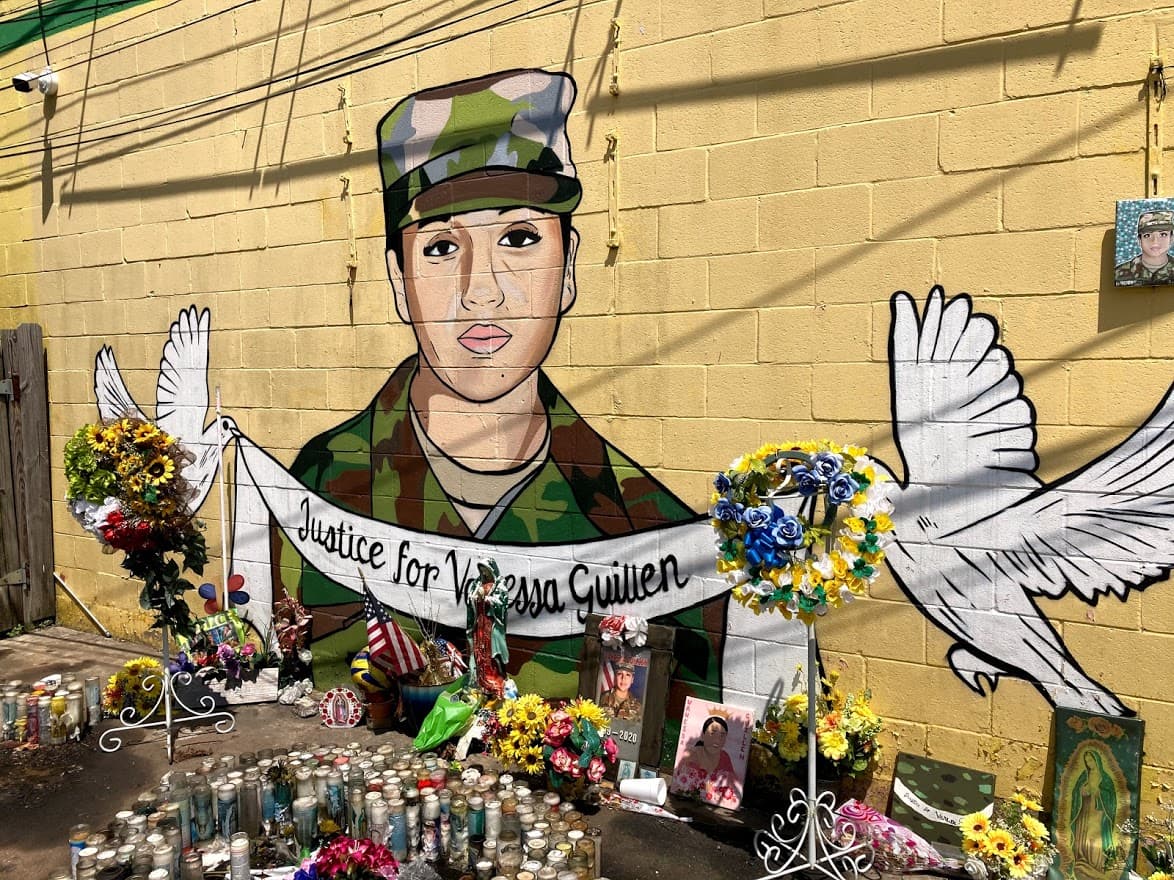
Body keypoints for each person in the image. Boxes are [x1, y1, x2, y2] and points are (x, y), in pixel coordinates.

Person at [271, 69, 699, 690]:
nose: (481, 291)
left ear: (569, 266)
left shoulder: (646, 530)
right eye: (442, 247)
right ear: (399, 281)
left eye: (520, 237)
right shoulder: (319, 491)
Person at [672, 715, 740, 807]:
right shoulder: (691, 756)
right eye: (712, 733)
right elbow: (678, 785)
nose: (717, 740)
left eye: (722, 735)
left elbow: (733, 786)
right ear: (703, 735)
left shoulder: (725, 758)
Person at [1069, 749, 1118, 871]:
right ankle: (1082, 859)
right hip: (1084, 808)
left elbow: (1111, 796)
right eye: (1087, 761)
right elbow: (1075, 791)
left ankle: (1097, 863)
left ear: (1097, 760)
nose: (1089, 763)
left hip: (1098, 810)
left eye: (1091, 760)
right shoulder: (1084, 776)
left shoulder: (1105, 778)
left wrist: (1099, 792)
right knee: (1083, 833)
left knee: (1094, 836)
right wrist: (1081, 791)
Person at [1115, 210, 1174, 285]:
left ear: (1171, 238)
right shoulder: (1118, 273)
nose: (1155, 241)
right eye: (1147, 235)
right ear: (1139, 240)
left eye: (1163, 234)